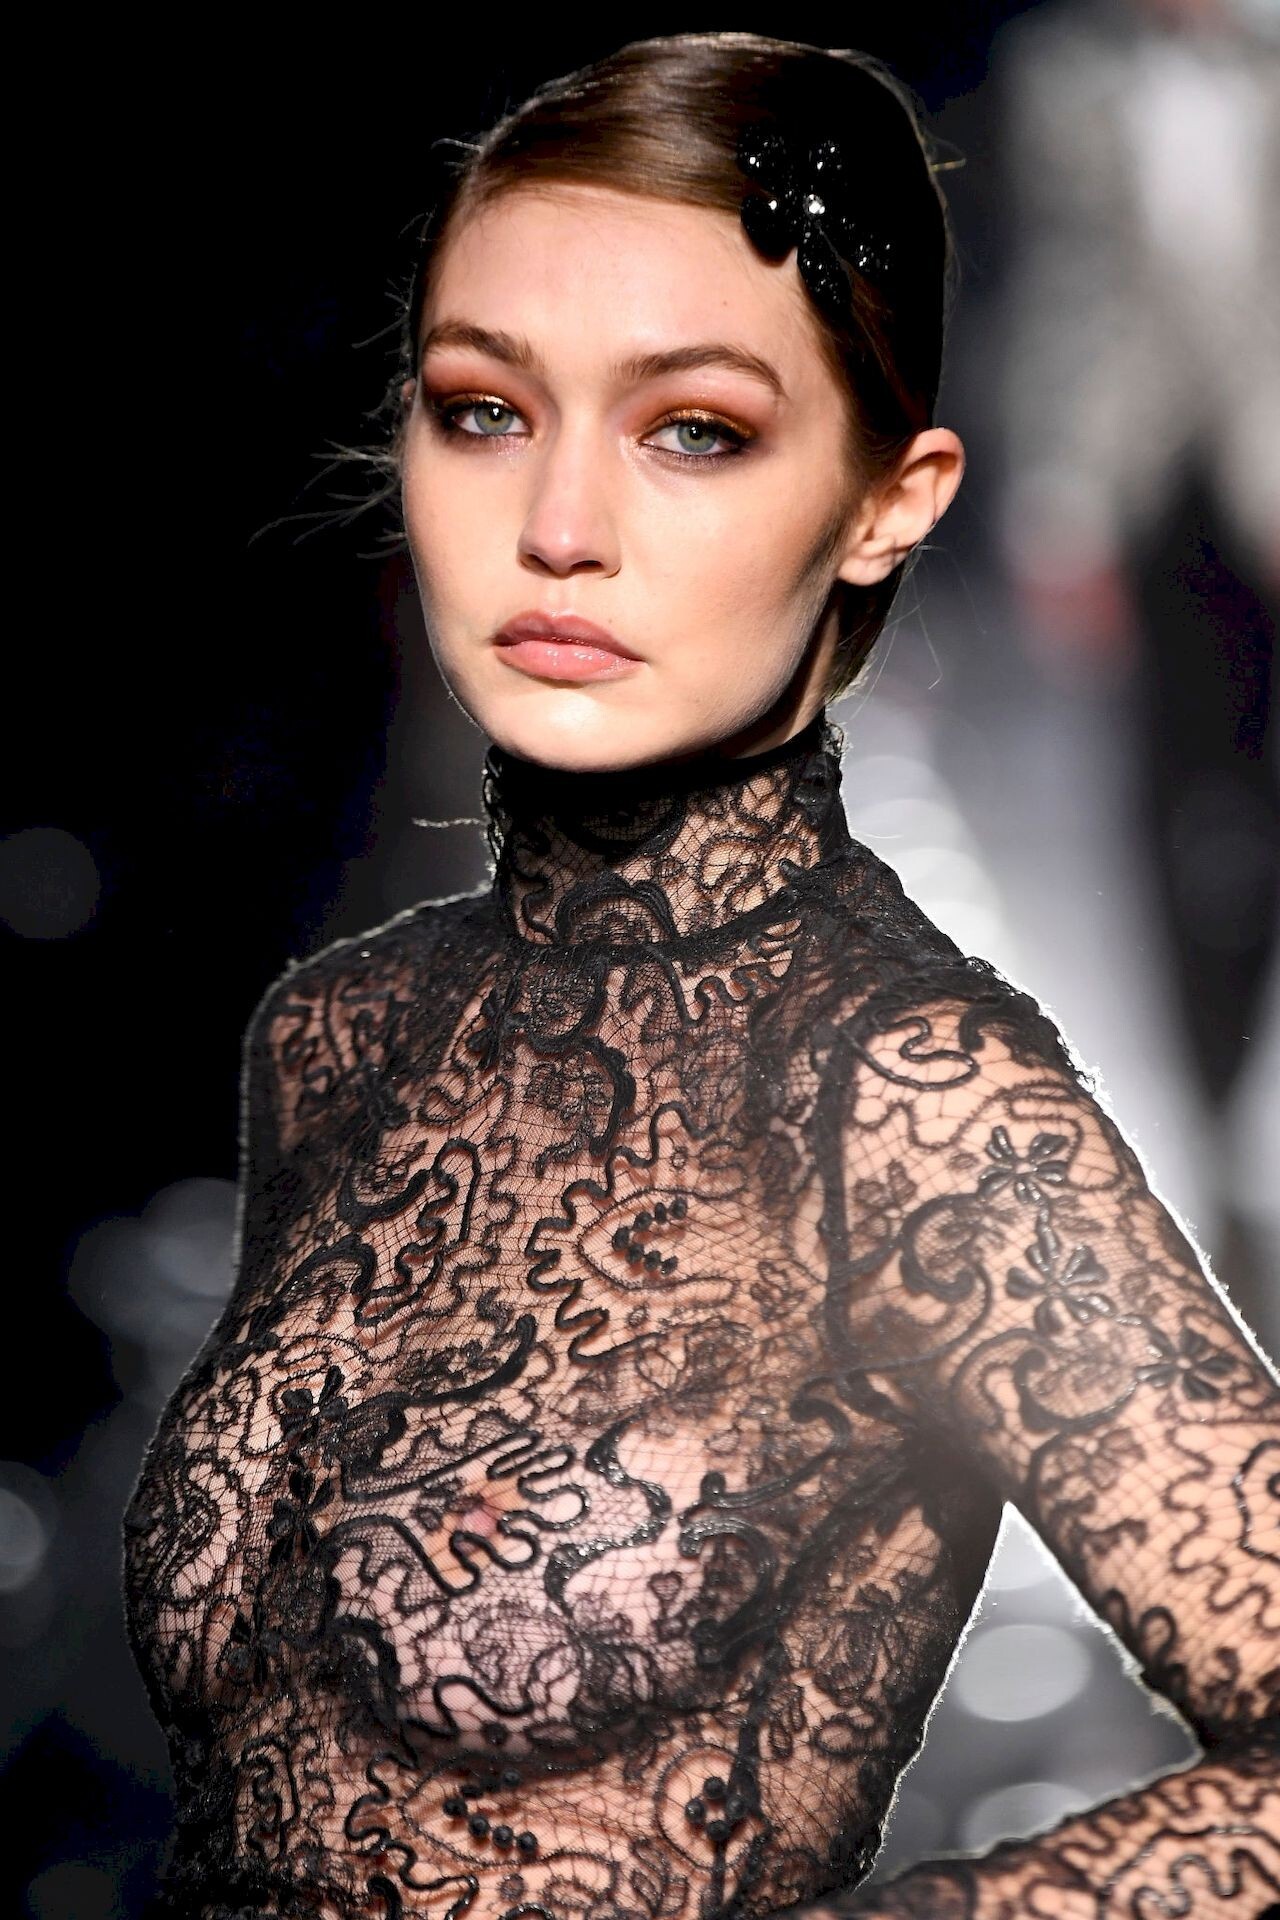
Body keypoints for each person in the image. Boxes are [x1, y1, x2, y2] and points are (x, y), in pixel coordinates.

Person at [122, 33, 1279, 1920]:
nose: (558, 527)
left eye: (697, 430)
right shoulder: (342, 1037)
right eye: (483, 409)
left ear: (890, 500)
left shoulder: (907, 1099)